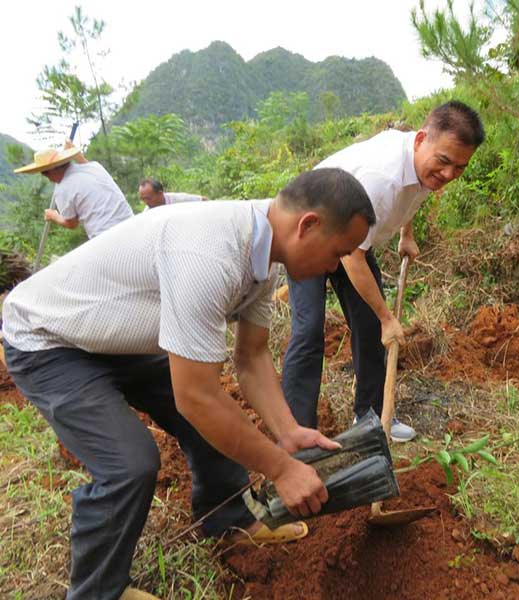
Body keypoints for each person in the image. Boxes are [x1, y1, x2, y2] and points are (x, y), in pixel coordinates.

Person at [2, 168, 376, 600]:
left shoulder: (266, 255)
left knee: (212, 417)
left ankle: (228, 522)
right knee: (130, 464)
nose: (334, 267)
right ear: (307, 225)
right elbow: (196, 398)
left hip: (113, 335)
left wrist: (288, 432)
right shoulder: (210, 253)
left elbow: (252, 358)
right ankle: (97, 592)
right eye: (337, 252)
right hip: (48, 339)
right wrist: (281, 468)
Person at [282, 100, 485, 442]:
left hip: (349, 236)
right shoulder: (382, 178)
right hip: (307, 230)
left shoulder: (424, 166)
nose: (449, 174)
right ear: (420, 139)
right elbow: (352, 259)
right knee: (310, 329)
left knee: (369, 324)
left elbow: (413, 196)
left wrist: (407, 234)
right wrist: (387, 317)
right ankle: (297, 434)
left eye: (460, 168)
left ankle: (371, 417)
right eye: (444, 162)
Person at [14, 143, 134, 239]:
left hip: (107, 237)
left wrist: (53, 216)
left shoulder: (63, 189)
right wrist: (75, 153)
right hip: (132, 224)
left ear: (54, 170)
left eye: (46, 173)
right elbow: (84, 162)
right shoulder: (94, 167)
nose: (49, 179)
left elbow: (72, 224)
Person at [138, 177, 208, 209]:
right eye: (143, 199)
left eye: (148, 198)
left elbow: (203, 199)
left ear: (160, 194)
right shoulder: (147, 212)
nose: (146, 202)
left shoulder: (178, 199)